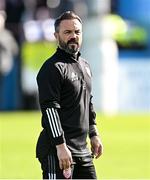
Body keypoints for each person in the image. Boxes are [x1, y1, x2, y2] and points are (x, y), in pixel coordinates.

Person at [36, 11, 103, 179]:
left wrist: (93, 133)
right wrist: (60, 146)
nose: (73, 36)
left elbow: (87, 101)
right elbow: (50, 109)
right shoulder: (52, 68)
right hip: (57, 150)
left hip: (83, 151)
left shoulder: (85, 65)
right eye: (67, 32)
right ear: (56, 35)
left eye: (77, 32)